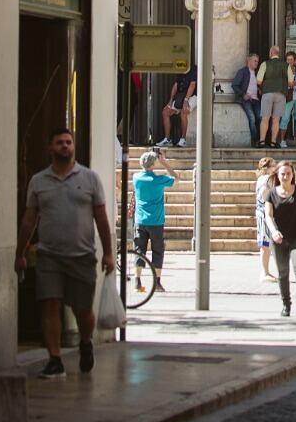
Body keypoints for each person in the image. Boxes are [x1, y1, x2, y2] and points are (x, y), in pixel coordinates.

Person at [14, 128, 114, 379]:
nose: (65, 146)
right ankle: (55, 359)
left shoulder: (90, 178)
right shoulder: (38, 181)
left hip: (82, 255)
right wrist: (20, 252)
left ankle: (85, 341)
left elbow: (101, 218)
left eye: (68, 142)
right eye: (59, 143)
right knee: (50, 304)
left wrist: (109, 253)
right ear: (50, 148)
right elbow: (29, 219)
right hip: (49, 255)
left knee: (82, 309)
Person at [263, 159, 296, 318]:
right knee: (283, 272)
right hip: (278, 238)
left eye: (288, 173)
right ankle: (286, 304)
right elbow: (268, 216)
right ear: (278, 175)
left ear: (293, 175)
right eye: (282, 174)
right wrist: (274, 231)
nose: (285, 176)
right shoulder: (271, 193)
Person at [131, 149, 176, 292]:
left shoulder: (136, 178)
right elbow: (176, 178)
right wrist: (165, 163)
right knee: (157, 251)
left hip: (140, 220)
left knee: (139, 250)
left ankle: (137, 281)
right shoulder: (159, 180)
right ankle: (157, 282)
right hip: (156, 221)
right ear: (153, 164)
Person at [257, 46, 289, 149]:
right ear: (278, 53)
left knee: (265, 118)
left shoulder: (264, 64)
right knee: (276, 119)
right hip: (281, 93)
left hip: (267, 92)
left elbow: (258, 81)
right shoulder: (286, 65)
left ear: (271, 53)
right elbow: (291, 82)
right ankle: (273, 142)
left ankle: (262, 141)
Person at [157, 65, 197, 147]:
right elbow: (175, 86)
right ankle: (167, 139)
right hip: (181, 96)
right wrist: (170, 101)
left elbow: (192, 85)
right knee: (165, 112)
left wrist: (186, 100)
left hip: (193, 96)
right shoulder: (180, 68)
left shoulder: (193, 69)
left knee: (184, 111)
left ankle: (183, 139)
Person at [232, 53, 262, 146]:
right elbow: (234, 85)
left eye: (257, 61)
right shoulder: (242, 72)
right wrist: (243, 94)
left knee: (260, 117)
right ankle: (254, 140)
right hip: (246, 99)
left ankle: (261, 140)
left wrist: (260, 90)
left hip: (256, 100)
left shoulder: (257, 73)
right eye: (255, 61)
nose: (256, 63)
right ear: (249, 61)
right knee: (252, 118)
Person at [255, 155, 277, 281]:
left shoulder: (261, 178)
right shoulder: (266, 179)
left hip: (261, 211)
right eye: (273, 166)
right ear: (267, 168)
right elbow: (264, 192)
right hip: (264, 212)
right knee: (265, 243)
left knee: (266, 244)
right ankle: (264, 272)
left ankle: (266, 271)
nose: (275, 168)